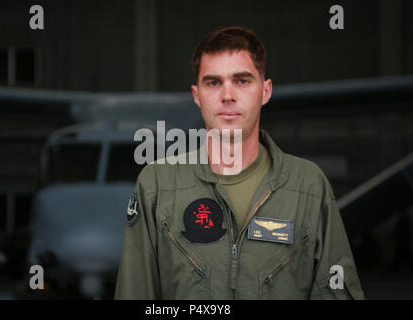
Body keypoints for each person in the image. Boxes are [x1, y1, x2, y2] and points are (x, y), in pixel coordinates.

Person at [115, 26, 365, 299]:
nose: (228, 95)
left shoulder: (309, 186)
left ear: (265, 91)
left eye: (242, 81)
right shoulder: (156, 186)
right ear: (196, 95)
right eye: (213, 83)